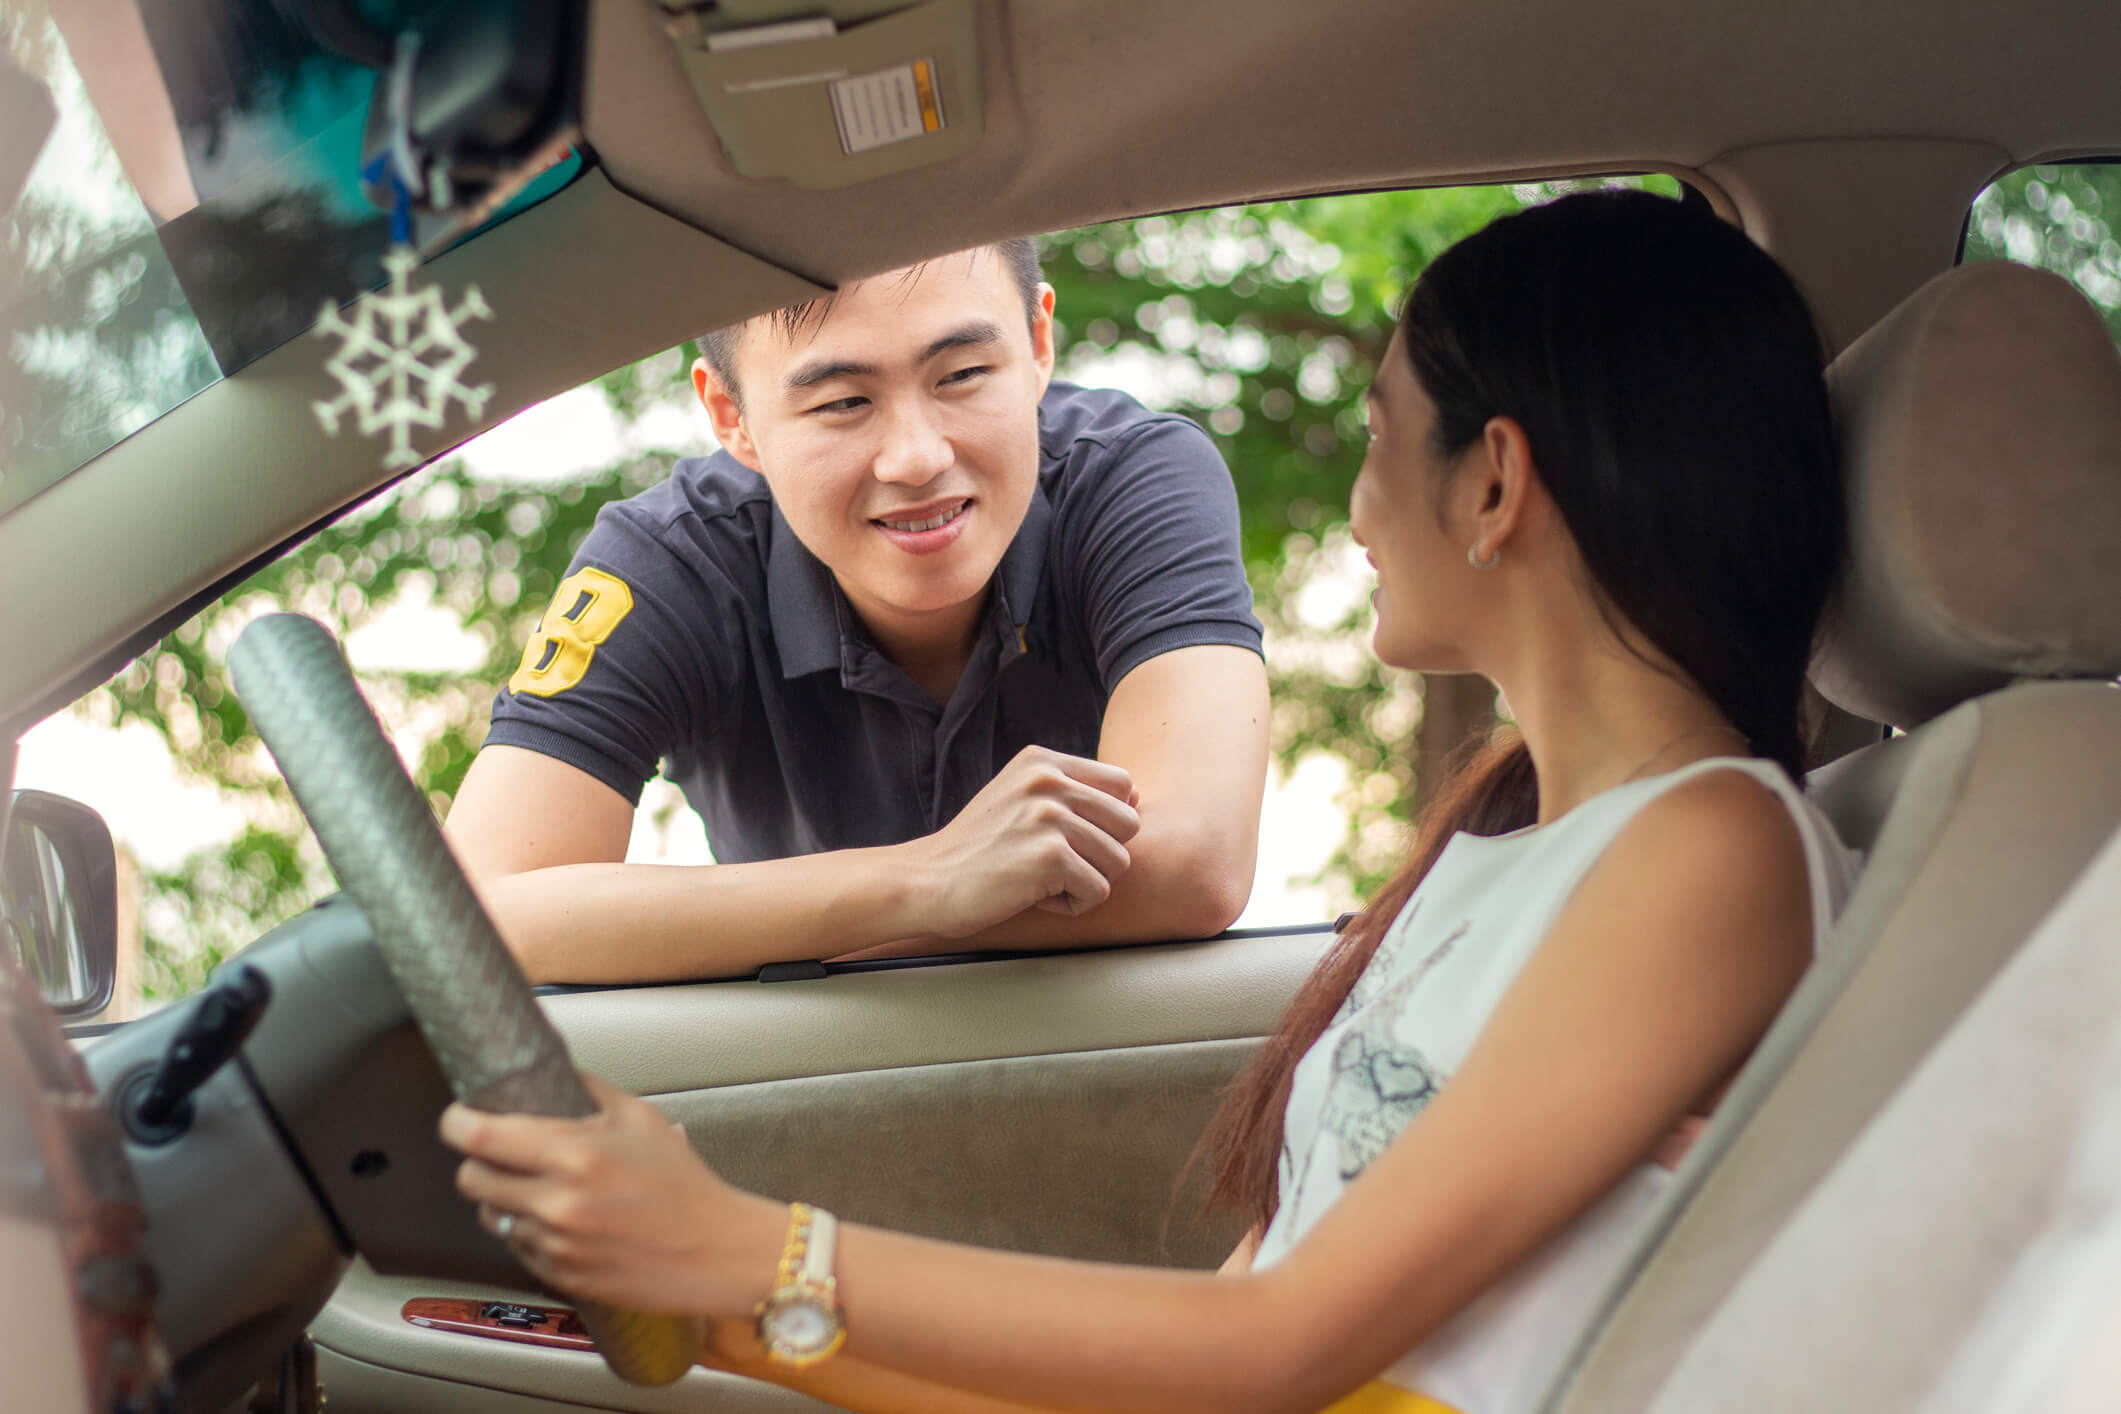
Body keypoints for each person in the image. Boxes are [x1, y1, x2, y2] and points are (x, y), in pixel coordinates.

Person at [438, 190, 1863, 1414]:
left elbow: (1272, 1350)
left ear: (1492, 482)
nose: (1355, 511)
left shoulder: (1712, 849)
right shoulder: (1501, 855)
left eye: (1376, 438)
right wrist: (734, 1322)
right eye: (843, 398)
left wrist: (755, 1251)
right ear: (730, 421)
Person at [445, 239, 1270, 984]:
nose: (917, 458)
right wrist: (925, 881)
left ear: (1038, 342)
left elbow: (1190, 862)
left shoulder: (1130, 478)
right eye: (842, 402)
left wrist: (823, 919)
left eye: (962, 376)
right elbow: (479, 915)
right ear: (731, 415)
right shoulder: (672, 563)